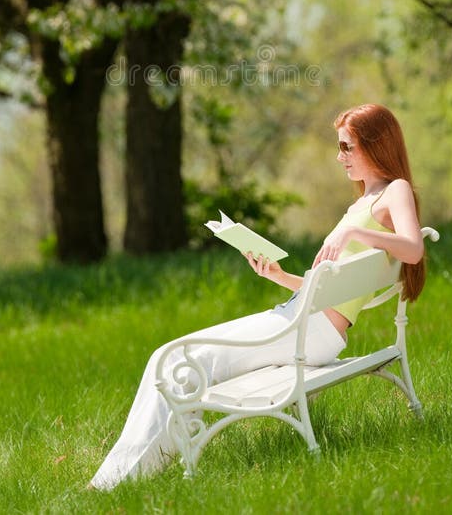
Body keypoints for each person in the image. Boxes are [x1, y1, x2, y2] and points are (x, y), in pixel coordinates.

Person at [89, 103, 425, 490]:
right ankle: (121, 475)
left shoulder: (394, 190)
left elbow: (413, 249)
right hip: (304, 322)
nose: (340, 157)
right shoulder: (361, 203)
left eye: (347, 147)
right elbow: (326, 291)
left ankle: (118, 483)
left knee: (180, 360)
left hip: (310, 331)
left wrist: (353, 234)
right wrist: (280, 276)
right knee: (170, 357)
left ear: (375, 144)